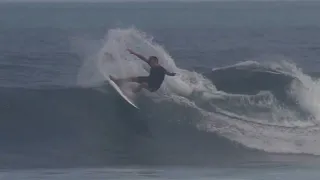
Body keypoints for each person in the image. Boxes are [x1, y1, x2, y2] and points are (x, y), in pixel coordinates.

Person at [110, 49, 176, 92]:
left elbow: (167, 73)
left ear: (155, 61)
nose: (149, 61)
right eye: (149, 60)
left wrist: (172, 74)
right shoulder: (152, 64)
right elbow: (142, 58)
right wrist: (133, 53)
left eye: (151, 60)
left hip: (154, 86)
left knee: (143, 84)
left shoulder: (161, 69)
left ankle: (133, 93)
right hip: (149, 79)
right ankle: (118, 81)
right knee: (133, 78)